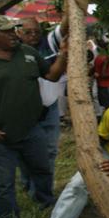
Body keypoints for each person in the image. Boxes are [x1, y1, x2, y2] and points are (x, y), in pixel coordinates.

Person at [0, 15, 68, 218]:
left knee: (42, 169)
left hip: (32, 128)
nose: (13, 35)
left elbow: (52, 76)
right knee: (4, 181)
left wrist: (63, 55)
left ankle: (45, 203)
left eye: (14, 30)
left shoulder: (27, 53)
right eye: (7, 32)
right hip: (0, 133)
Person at [17, 16, 68, 191]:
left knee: (50, 150)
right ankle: (27, 182)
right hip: (25, 111)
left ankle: (43, 187)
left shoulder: (49, 44)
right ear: (19, 33)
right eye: (28, 32)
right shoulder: (14, 51)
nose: (33, 35)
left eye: (36, 32)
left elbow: (64, 26)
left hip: (50, 107)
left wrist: (75, 1)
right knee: (26, 150)